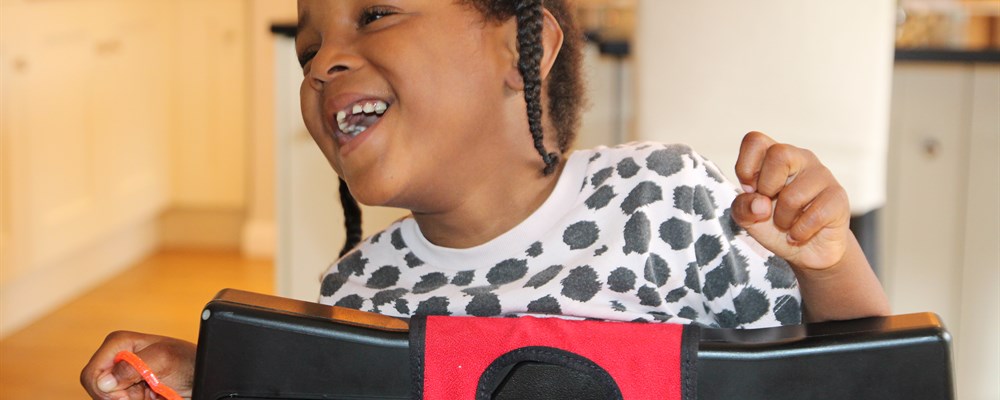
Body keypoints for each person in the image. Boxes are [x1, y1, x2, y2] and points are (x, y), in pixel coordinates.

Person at [81, 0, 890, 398]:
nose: (325, 62)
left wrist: (832, 259)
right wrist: (226, 380)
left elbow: (862, 381)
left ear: (518, 48)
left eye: (375, 13)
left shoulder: (662, 199)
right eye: (309, 47)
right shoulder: (357, 294)